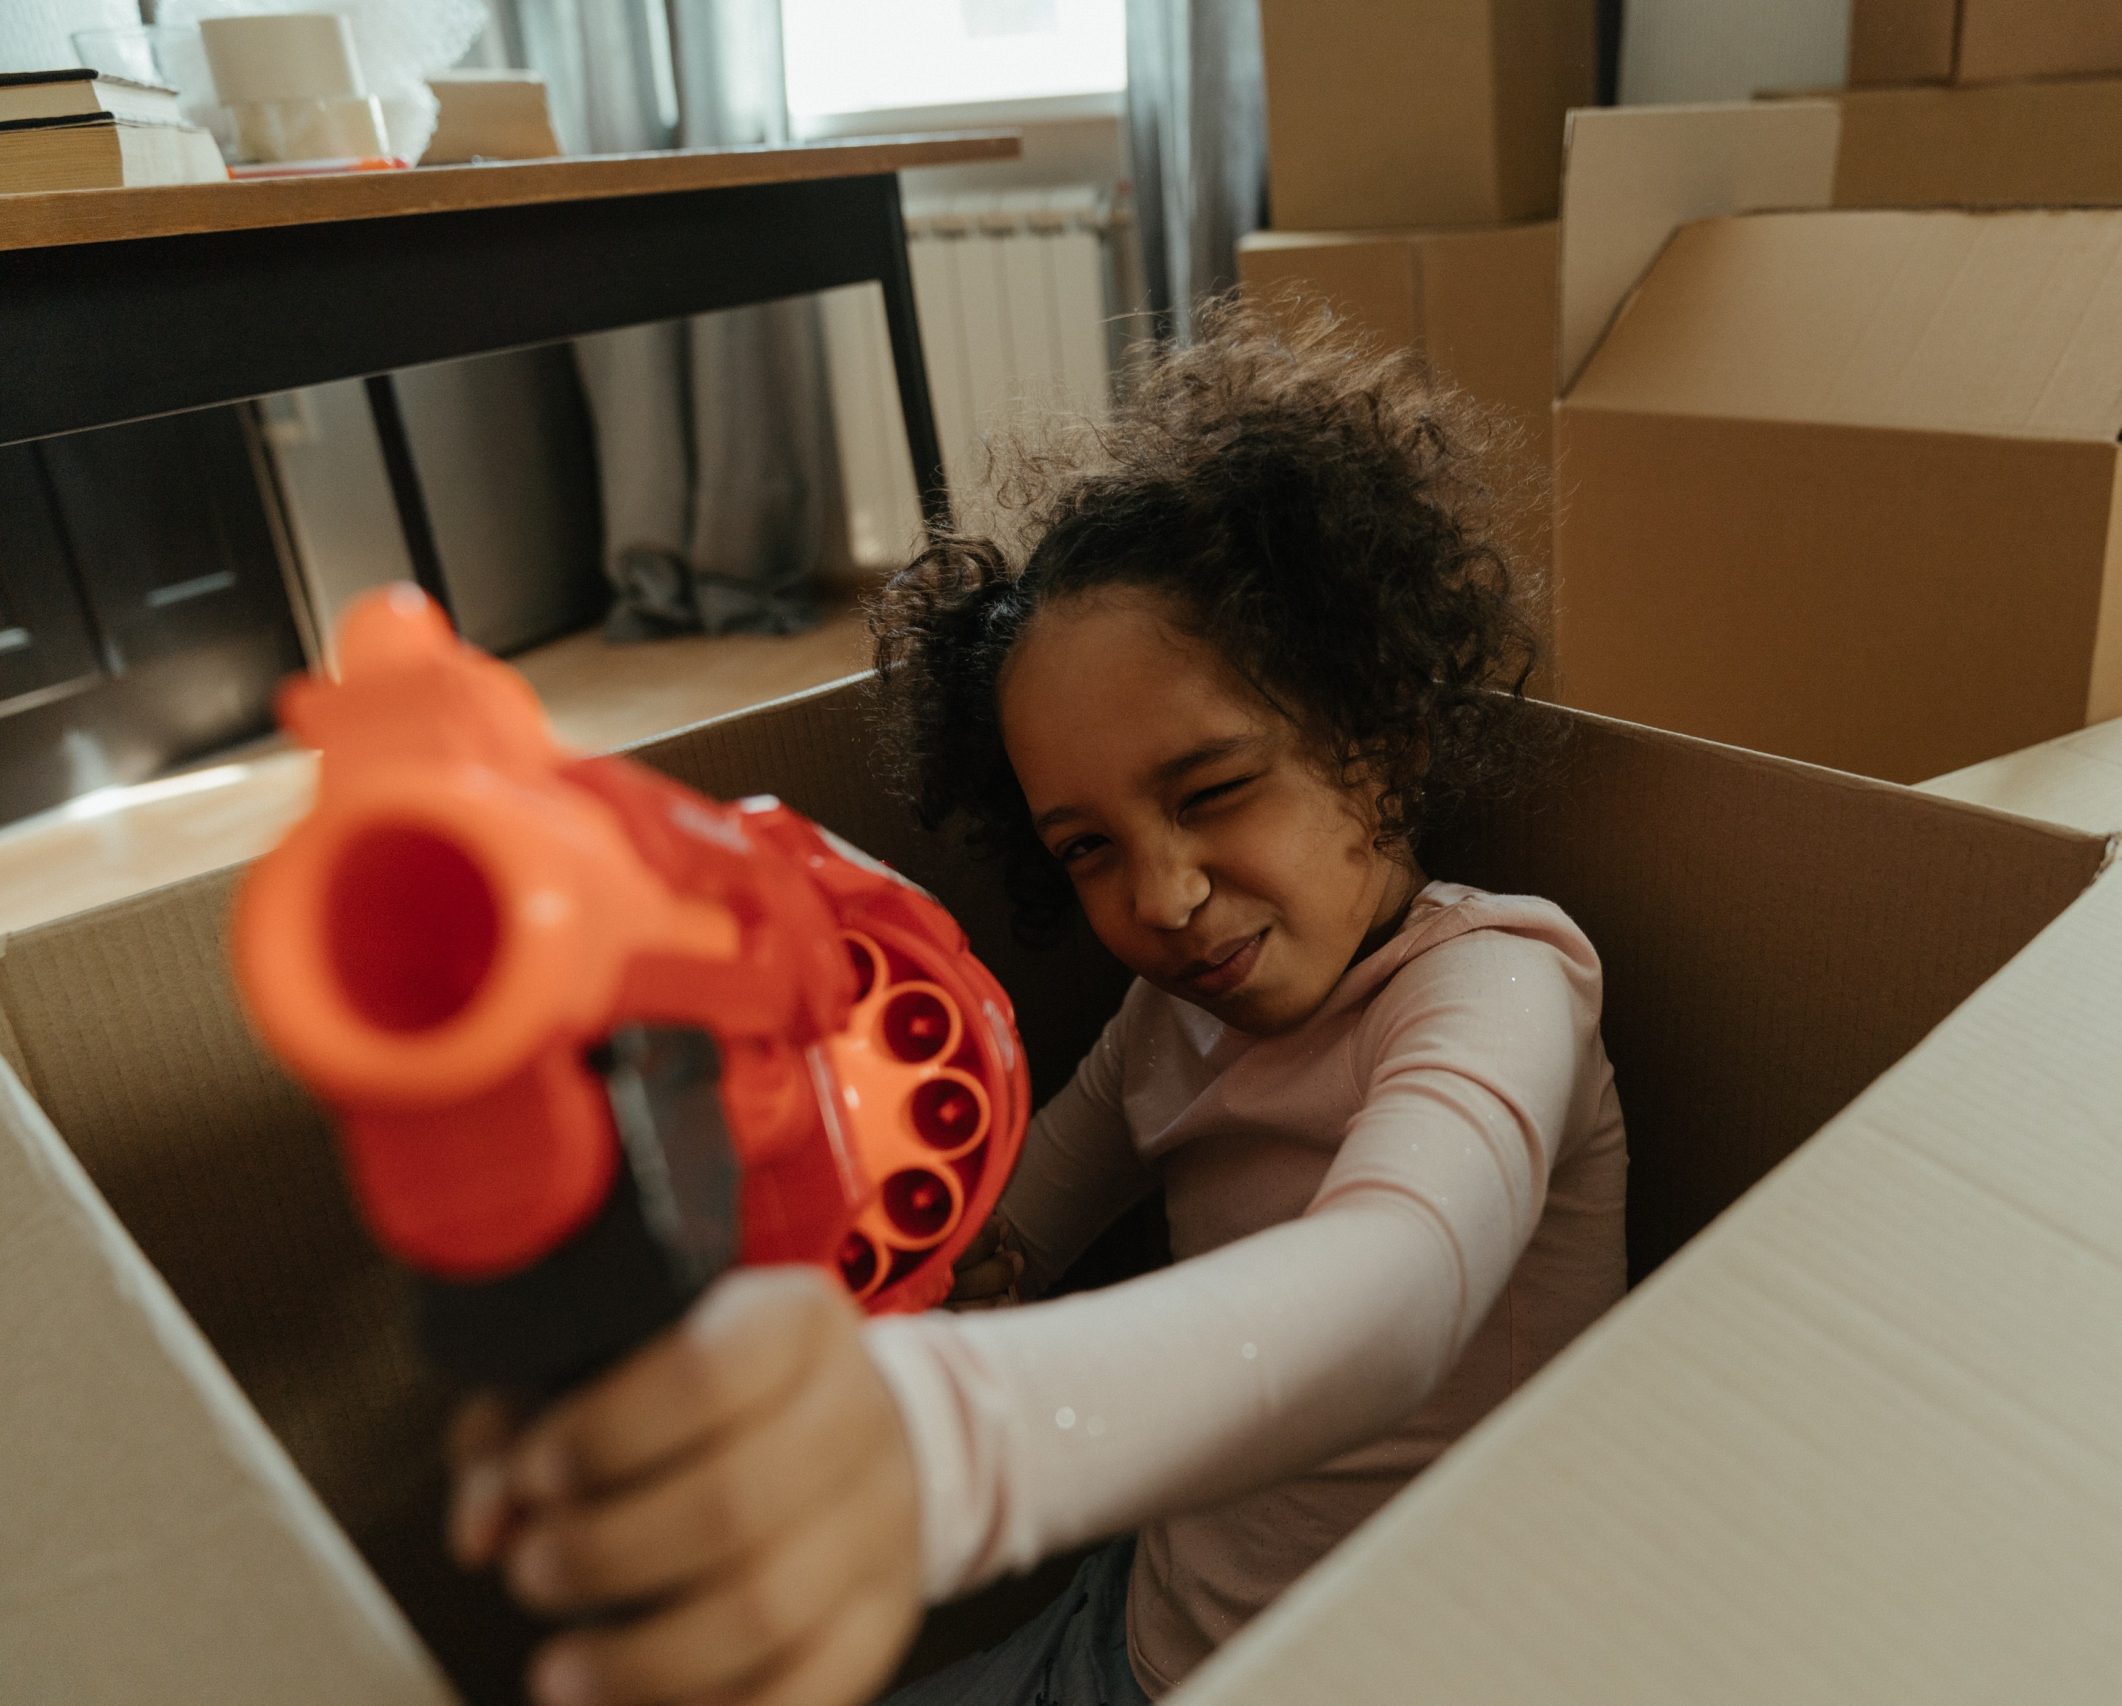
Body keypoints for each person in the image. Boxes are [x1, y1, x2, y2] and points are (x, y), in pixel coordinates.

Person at [443, 302, 1628, 1706]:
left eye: (1211, 792)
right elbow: (977, 1240)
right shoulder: (1166, 1022)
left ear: (1382, 733)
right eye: (1089, 848)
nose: (1165, 895)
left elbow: (1394, 1297)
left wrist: (932, 1443)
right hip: (1124, 1633)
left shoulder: (1495, 977)